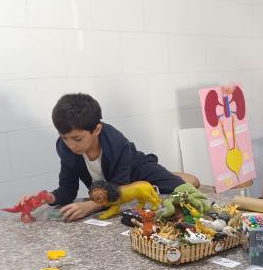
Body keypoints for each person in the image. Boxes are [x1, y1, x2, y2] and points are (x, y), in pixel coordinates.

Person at [14, 93, 184, 221]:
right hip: (109, 184)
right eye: (64, 138)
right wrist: (48, 197)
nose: (71, 145)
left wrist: (92, 205)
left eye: (77, 139)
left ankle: (172, 174)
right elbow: (68, 189)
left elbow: (119, 186)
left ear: (96, 130)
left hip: (136, 170)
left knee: (184, 187)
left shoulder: (118, 144)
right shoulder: (65, 148)